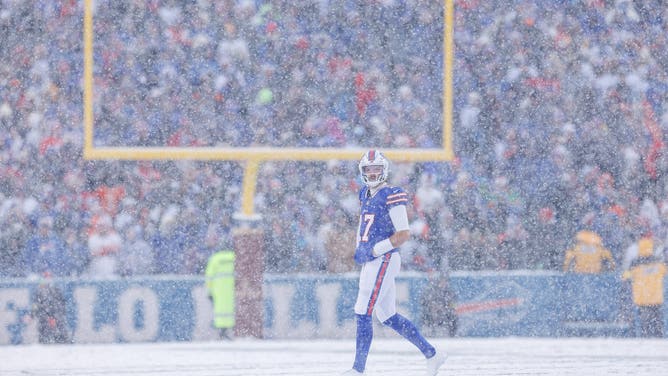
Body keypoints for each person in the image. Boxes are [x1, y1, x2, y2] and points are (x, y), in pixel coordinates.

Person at [342, 150, 446, 375]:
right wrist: (360, 246)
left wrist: (373, 250)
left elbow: (403, 234)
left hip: (384, 258)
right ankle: (432, 354)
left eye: (376, 169)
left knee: (362, 310)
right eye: (368, 169)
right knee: (387, 315)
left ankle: (358, 369)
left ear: (384, 170)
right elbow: (365, 226)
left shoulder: (392, 194)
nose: (372, 173)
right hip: (373, 258)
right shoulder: (365, 194)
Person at [621, 236, 666, 337]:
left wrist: (631, 266)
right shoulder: (659, 267)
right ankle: (658, 339)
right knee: (658, 324)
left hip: (641, 300)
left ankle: (646, 339)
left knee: (645, 325)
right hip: (656, 300)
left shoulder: (635, 268)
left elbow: (624, 277)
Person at [205, 249, 236, 340]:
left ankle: (222, 332)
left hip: (218, 289)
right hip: (231, 289)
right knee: (232, 310)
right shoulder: (234, 257)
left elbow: (209, 276)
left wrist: (209, 291)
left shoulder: (215, 258)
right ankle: (231, 332)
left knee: (219, 312)